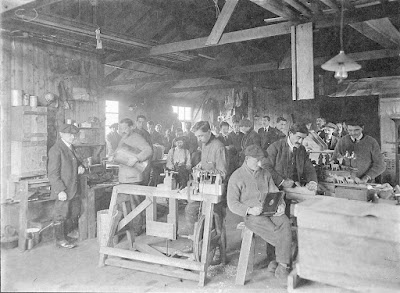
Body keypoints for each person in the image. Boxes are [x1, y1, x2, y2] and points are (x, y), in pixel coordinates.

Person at [228, 144, 292, 282]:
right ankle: (283, 263)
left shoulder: (265, 173)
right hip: (252, 216)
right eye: (256, 160)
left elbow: (275, 192)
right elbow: (232, 203)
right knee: (276, 231)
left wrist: (281, 204)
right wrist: (249, 210)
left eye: (261, 160)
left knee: (285, 221)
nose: (259, 163)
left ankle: (280, 265)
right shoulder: (236, 176)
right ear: (247, 159)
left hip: (269, 210)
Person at [185, 121, 227, 264]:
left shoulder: (219, 147)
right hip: (204, 188)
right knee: (191, 210)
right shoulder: (204, 143)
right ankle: (196, 245)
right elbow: (205, 163)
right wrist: (199, 166)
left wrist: (204, 172)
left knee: (216, 220)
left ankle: (219, 254)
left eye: (201, 136)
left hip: (215, 191)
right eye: (197, 136)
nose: (199, 139)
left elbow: (222, 173)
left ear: (209, 132)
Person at [111, 118, 153, 235]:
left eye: (124, 128)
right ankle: (127, 225)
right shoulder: (124, 138)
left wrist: (137, 158)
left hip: (133, 178)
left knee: (135, 204)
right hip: (124, 177)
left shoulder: (136, 137)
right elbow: (121, 154)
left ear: (131, 127)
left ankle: (137, 228)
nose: (122, 131)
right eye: (120, 128)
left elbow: (148, 150)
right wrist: (114, 157)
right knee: (124, 204)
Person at [48, 124, 85, 249]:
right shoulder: (56, 149)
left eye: (74, 134)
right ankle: (60, 239)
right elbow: (53, 174)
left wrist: (81, 167)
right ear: (61, 134)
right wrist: (60, 190)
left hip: (74, 188)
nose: (72, 136)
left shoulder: (71, 147)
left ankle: (68, 233)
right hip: (64, 189)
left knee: (73, 212)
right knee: (60, 214)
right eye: (70, 134)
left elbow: (78, 162)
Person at [265, 123, 318, 191]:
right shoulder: (275, 147)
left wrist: (312, 182)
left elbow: (309, 167)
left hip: (294, 189)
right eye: (298, 137)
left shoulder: (302, 149)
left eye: (303, 138)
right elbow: (266, 167)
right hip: (276, 188)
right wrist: (281, 182)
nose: (300, 141)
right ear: (290, 133)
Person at [332, 118, 385, 184]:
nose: (353, 133)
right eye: (350, 130)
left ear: (362, 128)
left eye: (356, 130)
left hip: (366, 183)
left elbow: (380, 165)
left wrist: (366, 177)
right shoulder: (342, 141)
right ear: (347, 129)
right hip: (345, 183)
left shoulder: (371, 142)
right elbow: (334, 160)